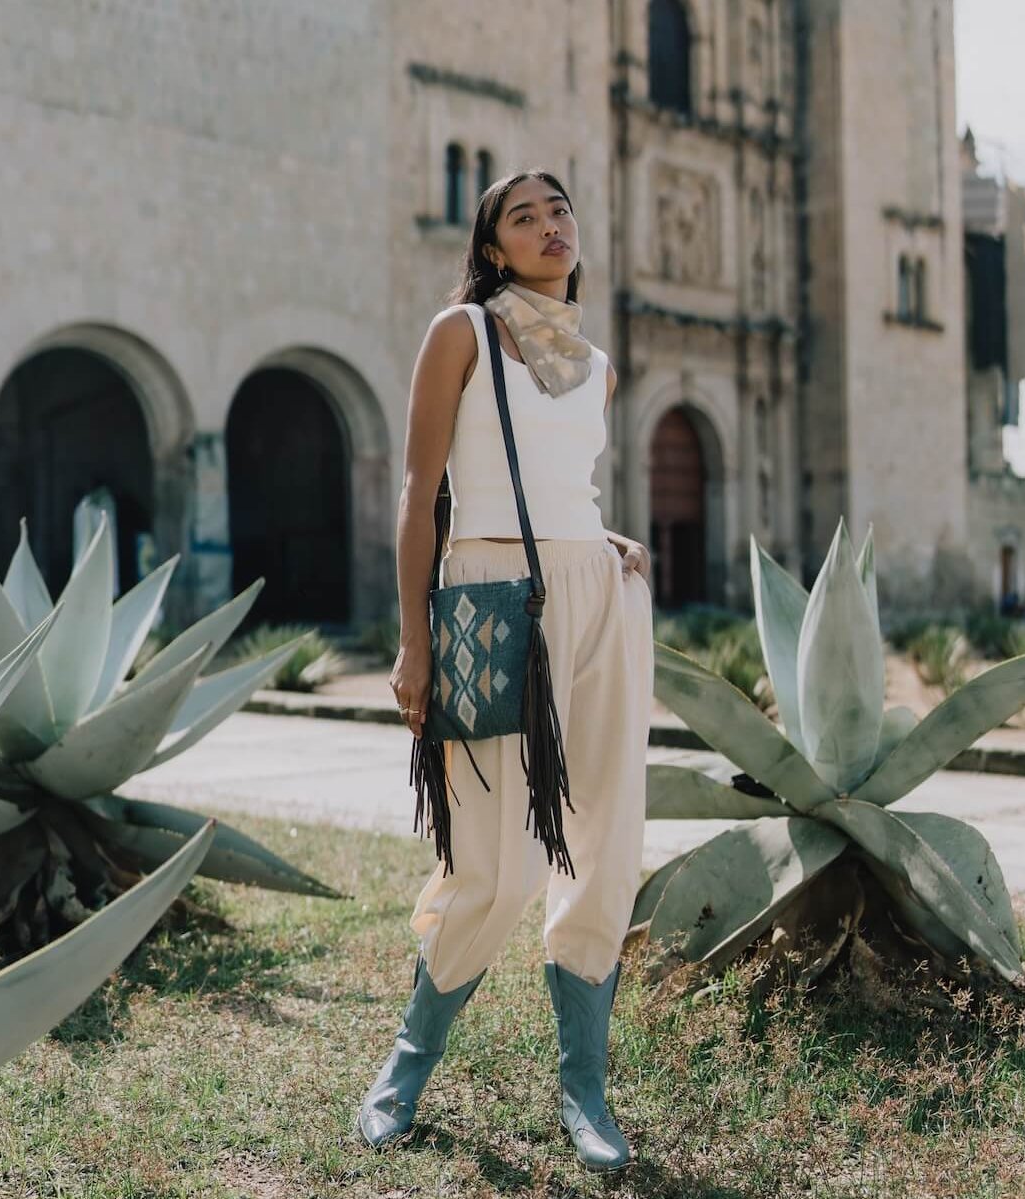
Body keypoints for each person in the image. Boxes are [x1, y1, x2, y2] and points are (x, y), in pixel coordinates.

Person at [355, 170, 654, 1173]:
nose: (549, 224)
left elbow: (560, 479)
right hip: (486, 599)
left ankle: (585, 1090)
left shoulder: (599, 364)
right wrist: (412, 640)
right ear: (490, 248)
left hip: (596, 599)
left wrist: (598, 538)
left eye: (559, 209)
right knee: (496, 858)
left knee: (606, 840)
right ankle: (405, 1062)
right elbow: (421, 491)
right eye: (522, 216)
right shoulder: (462, 333)